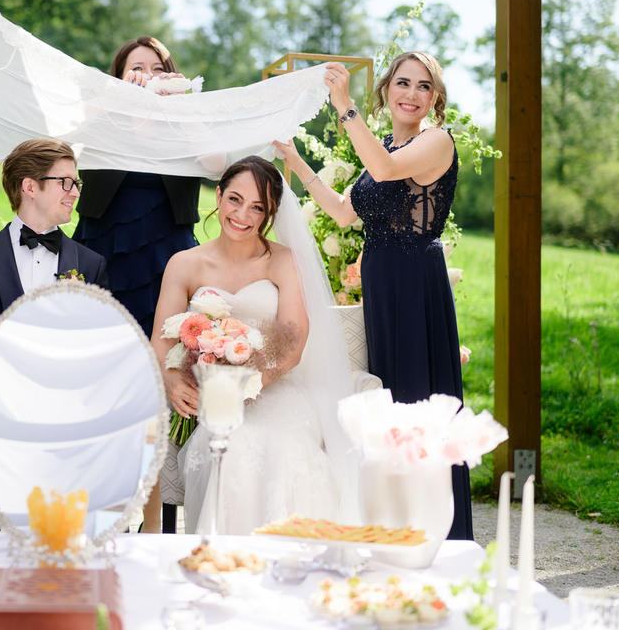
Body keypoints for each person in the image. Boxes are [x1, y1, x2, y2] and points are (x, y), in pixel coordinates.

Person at [273, 52, 473, 540]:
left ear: (435, 100)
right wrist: (297, 163)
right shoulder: (382, 145)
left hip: (413, 285)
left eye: (423, 86)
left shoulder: (437, 142)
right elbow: (344, 214)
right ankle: (390, 523)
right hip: (382, 288)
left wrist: (343, 104)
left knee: (413, 399)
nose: (411, 93)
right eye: (402, 83)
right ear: (386, 90)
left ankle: (433, 531)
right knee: (386, 400)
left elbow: (383, 170)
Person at [151, 156, 346, 535]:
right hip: (211, 395)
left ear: (270, 214)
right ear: (219, 196)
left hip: (276, 389)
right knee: (233, 445)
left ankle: (292, 552)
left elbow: (292, 344)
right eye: (235, 199)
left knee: (284, 443)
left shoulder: (285, 262)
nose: (243, 214)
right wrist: (174, 380)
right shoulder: (184, 264)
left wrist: (247, 385)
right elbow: (162, 338)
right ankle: (220, 559)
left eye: (257, 207)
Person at [0, 138, 108, 531]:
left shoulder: (91, 265)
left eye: (77, 183)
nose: (75, 192)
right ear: (30, 186)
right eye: (66, 182)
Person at [72, 36, 201, 533]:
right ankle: (94, 517)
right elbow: (66, 147)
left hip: (166, 263)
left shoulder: (180, 123)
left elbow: (216, 165)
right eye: (133, 69)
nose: (144, 75)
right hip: (103, 255)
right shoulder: (103, 119)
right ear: (118, 76)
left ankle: (149, 530)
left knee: (150, 385)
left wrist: (181, 109)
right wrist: (112, 102)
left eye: (155, 67)